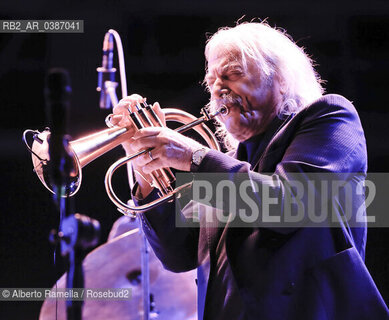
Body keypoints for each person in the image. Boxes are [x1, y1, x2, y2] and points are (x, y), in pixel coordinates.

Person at [112, 22, 388, 319]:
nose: (218, 88)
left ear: (281, 79)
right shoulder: (222, 166)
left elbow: (290, 204)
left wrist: (193, 156)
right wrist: (145, 166)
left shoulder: (330, 117)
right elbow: (177, 255)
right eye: (211, 80)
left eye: (232, 74)